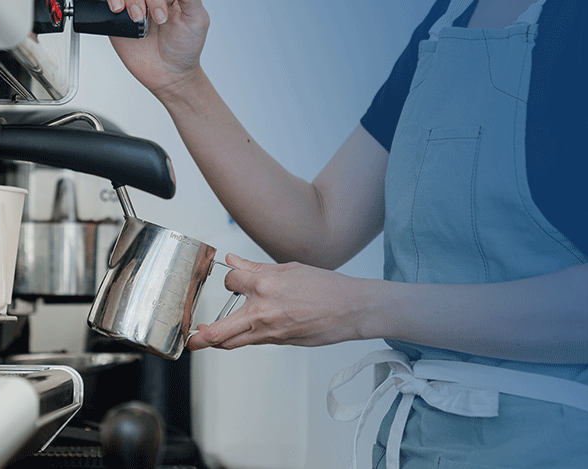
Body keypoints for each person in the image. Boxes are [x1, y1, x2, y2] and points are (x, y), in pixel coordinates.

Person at [105, 0, 588, 467]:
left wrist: (361, 309)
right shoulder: (446, 21)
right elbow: (321, 226)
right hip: (420, 440)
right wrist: (180, 80)